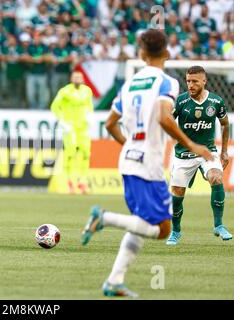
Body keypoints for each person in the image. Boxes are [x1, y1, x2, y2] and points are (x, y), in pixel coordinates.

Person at [80, 29, 214, 297]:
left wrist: (130, 146)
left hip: (128, 160)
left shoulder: (128, 85)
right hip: (148, 165)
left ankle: (114, 281)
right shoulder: (167, 83)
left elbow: (110, 124)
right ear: (166, 53)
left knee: (144, 222)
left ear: (141, 55)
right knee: (163, 229)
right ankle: (104, 218)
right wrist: (191, 144)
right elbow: (165, 118)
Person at [166, 66, 231, 245]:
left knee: (216, 177)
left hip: (208, 152)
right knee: (177, 195)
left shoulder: (216, 102)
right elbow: (167, 122)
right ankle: (176, 231)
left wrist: (224, 151)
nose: (190, 85)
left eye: (194, 81)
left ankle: (219, 225)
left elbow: (225, 124)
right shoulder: (180, 101)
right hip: (183, 154)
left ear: (204, 81)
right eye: (188, 81)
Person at [50, 71, 93, 194]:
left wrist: (90, 117)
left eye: (79, 77)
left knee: (86, 154)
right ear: (71, 78)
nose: (77, 79)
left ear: (82, 79)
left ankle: (82, 182)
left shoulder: (87, 91)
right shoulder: (65, 92)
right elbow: (54, 107)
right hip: (70, 127)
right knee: (70, 154)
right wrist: (62, 122)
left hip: (83, 128)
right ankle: (69, 182)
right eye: (75, 77)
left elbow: (89, 106)